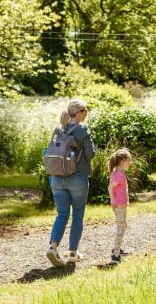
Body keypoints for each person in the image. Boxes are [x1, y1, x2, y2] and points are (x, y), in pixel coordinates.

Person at [46, 99, 95, 267]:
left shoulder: (59, 128)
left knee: (62, 214)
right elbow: (90, 154)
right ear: (79, 112)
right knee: (78, 215)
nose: (86, 113)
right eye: (85, 110)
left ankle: (53, 247)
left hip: (56, 179)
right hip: (77, 179)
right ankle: (73, 253)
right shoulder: (83, 130)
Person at [107, 148, 132, 263]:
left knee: (123, 226)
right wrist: (113, 200)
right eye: (129, 160)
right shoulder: (120, 174)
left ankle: (117, 249)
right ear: (122, 161)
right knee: (121, 228)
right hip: (119, 205)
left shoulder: (116, 172)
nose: (130, 163)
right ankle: (115, 255)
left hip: (119, 204)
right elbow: (110, 187)